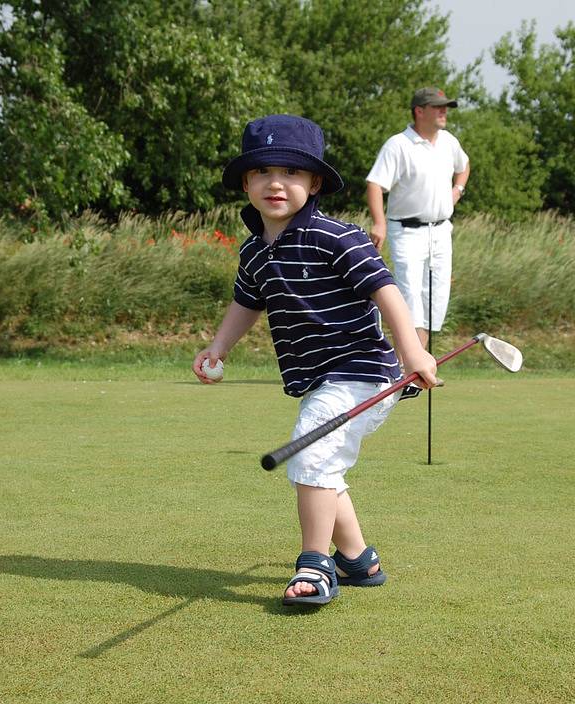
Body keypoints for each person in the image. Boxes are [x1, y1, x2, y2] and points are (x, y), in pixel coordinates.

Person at [193, 114, 437, 607]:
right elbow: (247, 302)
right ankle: (356, 558)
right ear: (245, 183)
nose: (275, 183)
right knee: (322, 467)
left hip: (364, 374)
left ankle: (315, 565)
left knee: (311, 452)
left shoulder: (337, 236)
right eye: (261, 172)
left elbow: (386, 291)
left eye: (291, 172)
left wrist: (413, 350)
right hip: (321, 380)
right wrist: (218, 348)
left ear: (315, 181)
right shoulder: (254, 252)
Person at [366, 87, 470, 350]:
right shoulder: (398, 145)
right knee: (410, 295)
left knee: (436, 297)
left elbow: (464, 166)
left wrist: (457, 190)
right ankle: (408, 366)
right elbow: (375, 183)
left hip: (441, 230)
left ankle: (418, 364)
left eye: (445, 107)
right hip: (406, 231)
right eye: (438, 107)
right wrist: (379, 223)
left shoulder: (448, 141)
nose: (444, 111)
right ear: (419, 111)